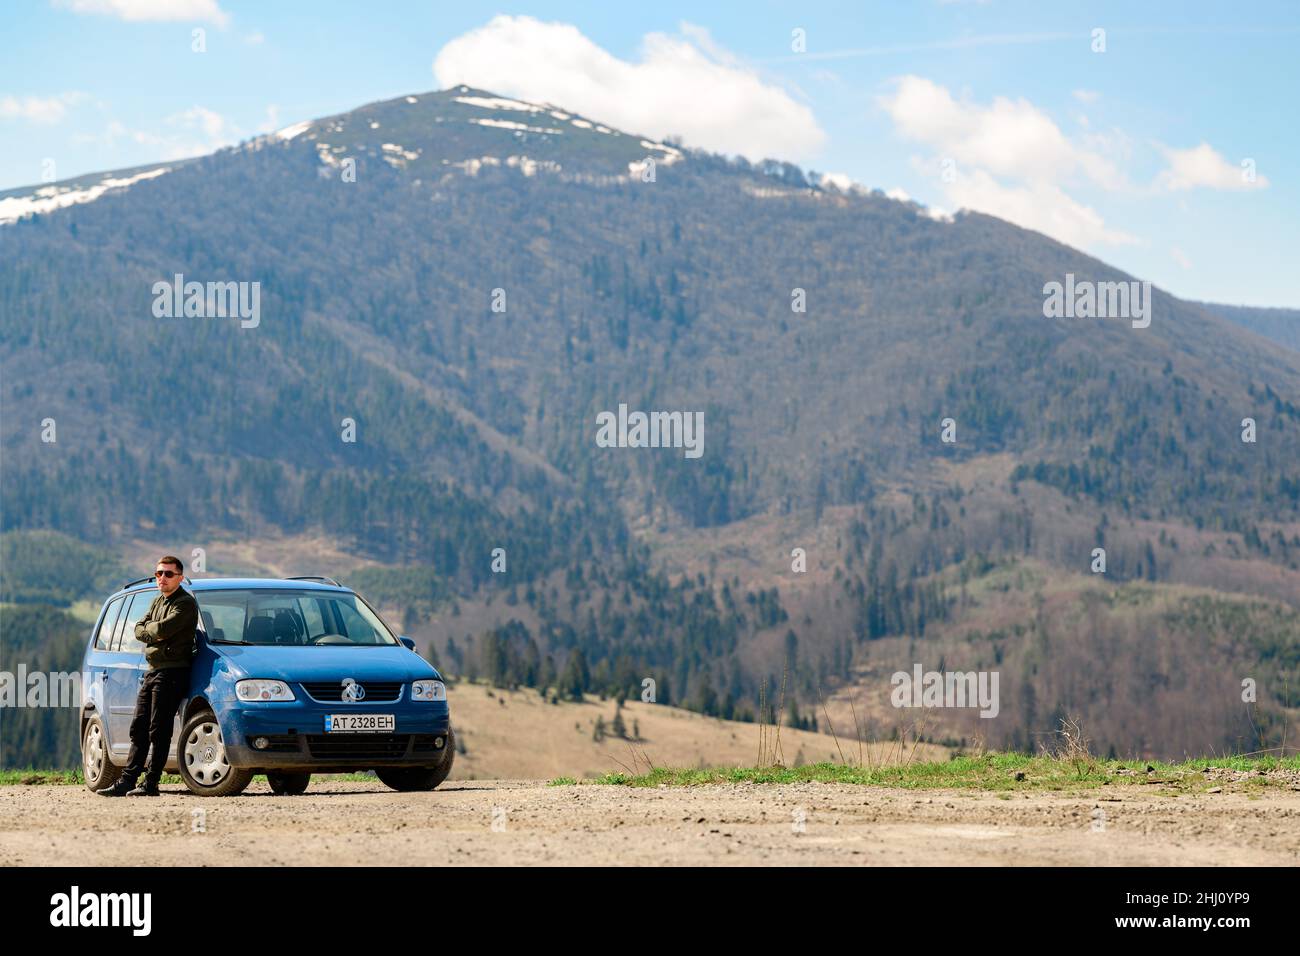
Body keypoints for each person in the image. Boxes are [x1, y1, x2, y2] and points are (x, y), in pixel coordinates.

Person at [99, 555, 198, 797]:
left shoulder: (184, 604)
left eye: (168, 574)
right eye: (158, 573)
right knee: (139, 727)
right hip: (153, 671)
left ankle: (151, 783)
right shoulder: (157, 601)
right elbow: (139, 629)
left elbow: (160, 629)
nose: (162, 578)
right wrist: (153, 632)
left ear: (180, 578)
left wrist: (153, 632)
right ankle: (128, 780)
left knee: (159, 729)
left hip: (172, 672)